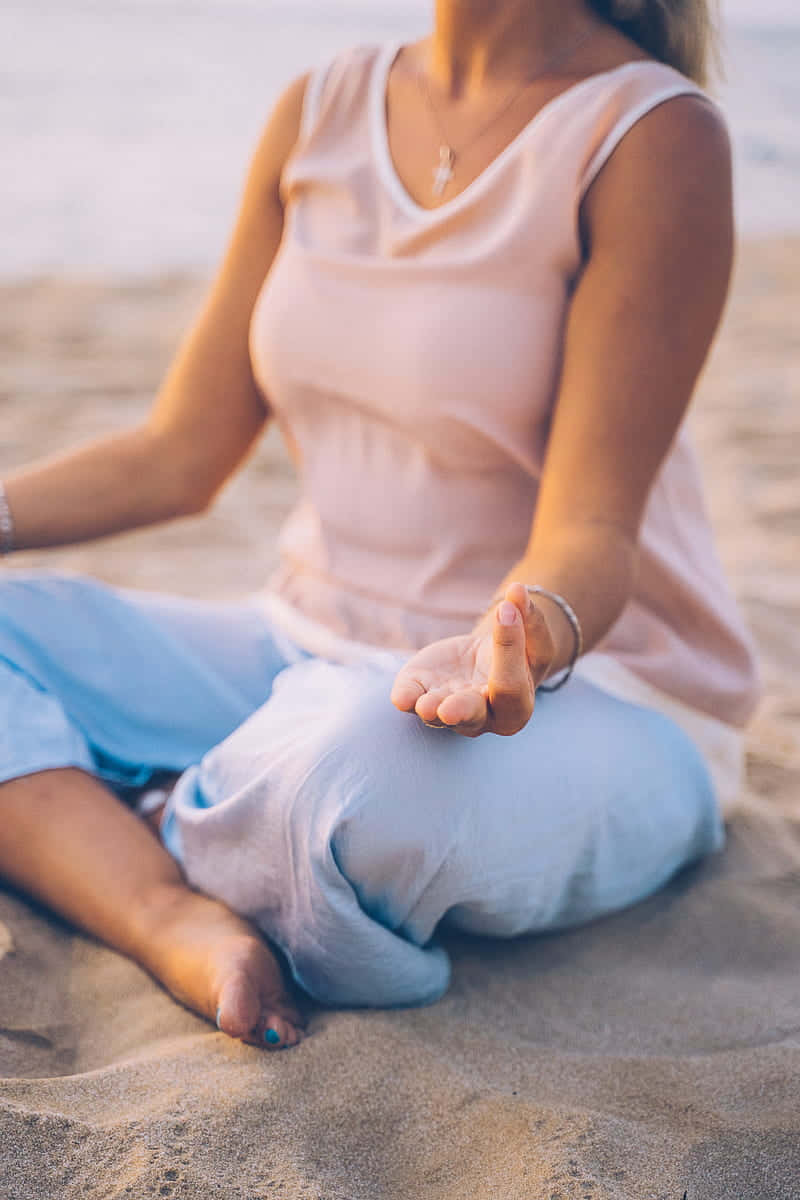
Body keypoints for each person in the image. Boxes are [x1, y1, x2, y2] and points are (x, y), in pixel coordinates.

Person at [0, 0, 760, 1052]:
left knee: (349, 782)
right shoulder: (319, 108)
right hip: (297, 644)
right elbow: (180, 453)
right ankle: (168, 908)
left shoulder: (647, 132)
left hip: (586, 695)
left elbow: (592, 526)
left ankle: (141, 806)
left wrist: (517, 633)